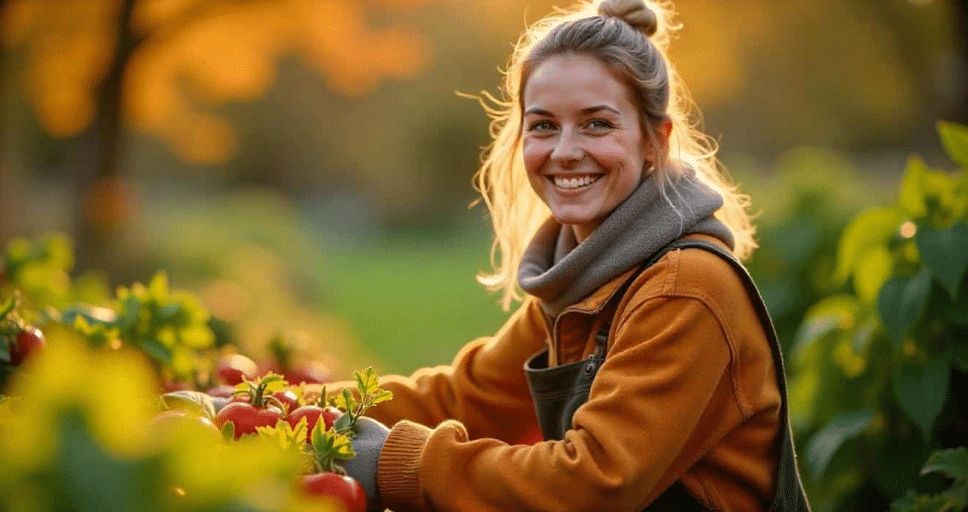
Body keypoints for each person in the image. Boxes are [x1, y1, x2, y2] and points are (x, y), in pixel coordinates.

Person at [317, 0, 812, 510]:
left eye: (597, 124)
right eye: (544, 125)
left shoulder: (683, 288)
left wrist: (391, 462)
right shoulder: (587, 276)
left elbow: (594, 481)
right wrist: (291, 411)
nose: (565, 150)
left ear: (654, 141)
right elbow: (464, 400)